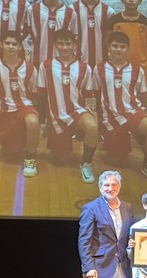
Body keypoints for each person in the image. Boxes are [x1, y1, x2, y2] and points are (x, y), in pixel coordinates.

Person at [93, 31, 147, 183]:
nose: (118, 49)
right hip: (111, 119)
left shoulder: (137, 70)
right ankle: (110, 143)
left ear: (127, 49)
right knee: (117, 161)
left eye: (122, 46)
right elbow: (96, 95)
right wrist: (98, 123)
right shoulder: (99, 69)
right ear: (108, 48)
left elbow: (143, 95)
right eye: (115, 46)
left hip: (133, 113)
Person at [37, 29, 98, 183]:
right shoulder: (46, 65)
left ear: (74, 45)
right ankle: (62, 144)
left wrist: (93, 115)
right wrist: (42, 122)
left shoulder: (85, 68)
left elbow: (89, 95)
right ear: (55, 46)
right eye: (61, 44)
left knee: (92, 126)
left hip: (78, 111)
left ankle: (86, 164)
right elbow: (42, 96)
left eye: (68, 44)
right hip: (55, 115)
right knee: (61, 160)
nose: (64, 47)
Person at [0, 30, 39, 177]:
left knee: (33, 122)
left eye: (14, 44)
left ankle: (30, 158)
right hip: (3, 111)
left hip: (24, 107)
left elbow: (34, 92)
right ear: (1, 45)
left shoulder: (30, 68)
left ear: (20, 47)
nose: (10, 47)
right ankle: (19, 143)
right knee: (10, 155)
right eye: (7, 43)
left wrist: (31, 108)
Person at [107, 0, 147, 87]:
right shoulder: (113, 21)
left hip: (141, 67)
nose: (131, 0)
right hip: (119, 65)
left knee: (141, 96)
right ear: (122, 1)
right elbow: (108, 42)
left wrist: (143, 59)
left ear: (140, 2)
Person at [24, 0, 78, 68]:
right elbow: (28, 34)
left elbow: (74, 37)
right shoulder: (32, 10)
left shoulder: (70, 13)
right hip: (37, 59)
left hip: (61, 61)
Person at [70, 0, 115, 68]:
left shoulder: (109, 11)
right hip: (77, 61)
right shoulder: (72, 10)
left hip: (103, 62)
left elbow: (111, 39)